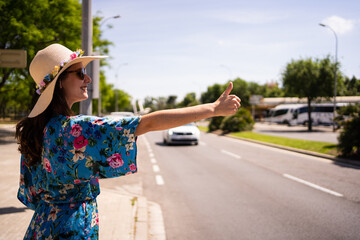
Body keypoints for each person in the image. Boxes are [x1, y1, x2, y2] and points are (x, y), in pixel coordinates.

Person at [15, 43, 241, 239]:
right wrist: (212, 109)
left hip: (41, 226)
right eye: (80, 72)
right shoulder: (73, 129)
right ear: (60, 83)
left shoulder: (36, 131)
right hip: (70, 229)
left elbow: (31, 195)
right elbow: (148, 123)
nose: (88, 78)